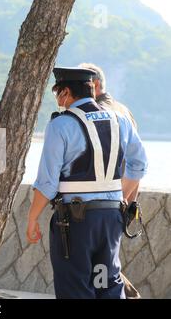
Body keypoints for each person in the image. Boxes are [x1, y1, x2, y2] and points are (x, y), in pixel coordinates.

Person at [25, 67, 148, 299]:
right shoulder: (120, 120)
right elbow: (139, 163)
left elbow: (48, 183)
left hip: (75, 223)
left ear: (66, 92)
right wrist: (116, 195)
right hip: (111, 218)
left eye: (57, 94)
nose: (59, 101)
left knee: (76, 287)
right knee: (107, 283)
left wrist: (32, 218)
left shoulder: (60, 125)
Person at [80, 62, 141, 298]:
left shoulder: (99, 113)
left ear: (94, 85)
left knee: (102, 268)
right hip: (120, 201)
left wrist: (118, 200)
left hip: (105, 203)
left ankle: (131, 296)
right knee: (105, 265)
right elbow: (138, 163)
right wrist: (129, 201)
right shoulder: (124, 110)